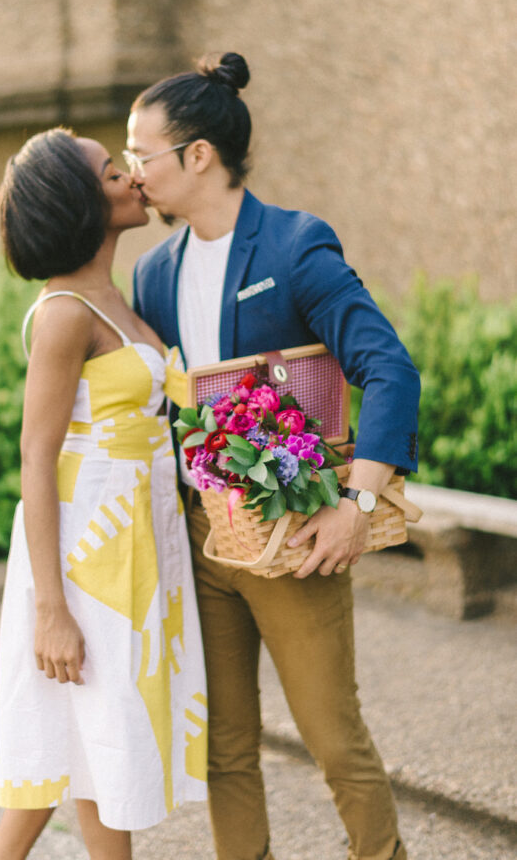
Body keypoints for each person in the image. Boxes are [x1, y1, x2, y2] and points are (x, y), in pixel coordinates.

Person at [127, 52, 420, 860]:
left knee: (334, 742)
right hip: (203, 543)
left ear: (197, 156)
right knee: (224, 749)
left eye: (139, 155)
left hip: (297, 542)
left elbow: (389, 369)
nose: (132, 175)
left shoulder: (293, 245)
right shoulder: (153, 273)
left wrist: (354, 505)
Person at [0, 127, 207, 860]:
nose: (132, 178)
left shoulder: (115, 294)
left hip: (140, 543)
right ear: (81, 202)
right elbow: (36, 458)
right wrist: (52, 610)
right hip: (89, 555)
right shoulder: (64, 315)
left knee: (86, 744)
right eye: (114, 171)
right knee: (91, 741)